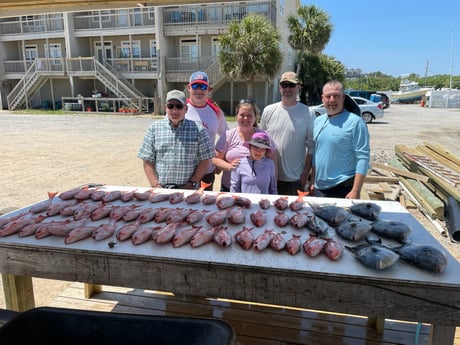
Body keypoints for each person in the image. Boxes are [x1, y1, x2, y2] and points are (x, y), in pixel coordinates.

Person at [137, 90, 215, 189]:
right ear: (166, 108)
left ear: (186, 109)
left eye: (179, 106)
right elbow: (147, 160)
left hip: (188, 190)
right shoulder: (154, 129)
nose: (174, 110)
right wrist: (155, 185)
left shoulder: (198, 130)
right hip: (161, 189)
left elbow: (205, 160)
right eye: (170, 106)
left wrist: (192, 182)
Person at [312, 80, 371, 199]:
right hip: (319, 188)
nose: (332, 100)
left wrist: (356, 190)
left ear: (343, 97)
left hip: (343, 188)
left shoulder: (355, 122)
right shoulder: (318, 121)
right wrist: (313, 181)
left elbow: (363, 158)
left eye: (336, 96)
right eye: (328, 96)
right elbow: (316, 154)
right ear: (323, 99)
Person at [260, 71, 315, 196]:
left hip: (295, 180)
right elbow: (261, 142)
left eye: (291, 85)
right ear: (280, 87)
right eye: (284, 85)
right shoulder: (268, 111)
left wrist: (305, 174)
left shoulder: (308, 113)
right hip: (269, 176)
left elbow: (311, 147)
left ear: (298, 87)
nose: (287, 89)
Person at [214, 99, 277, 192]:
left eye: (249, 115)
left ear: (255, 117)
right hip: (228, 187)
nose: (245, 118)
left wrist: (274, 187)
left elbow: (273, 164)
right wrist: (229, 166)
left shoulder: (264, 136)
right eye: (242, 115)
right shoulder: (228, 135)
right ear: (237, 115)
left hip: (258, 190)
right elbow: (216, 159)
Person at [185, 71, 228, 190]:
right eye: (195, 86)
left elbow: (226, 135)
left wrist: (219, 158)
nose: (199, 90)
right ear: (189, 88)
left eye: (203, 86)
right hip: (183, 170)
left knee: (204, 206)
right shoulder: (179, 108)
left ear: (208, 89)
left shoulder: (216, 112)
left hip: (207, 171)